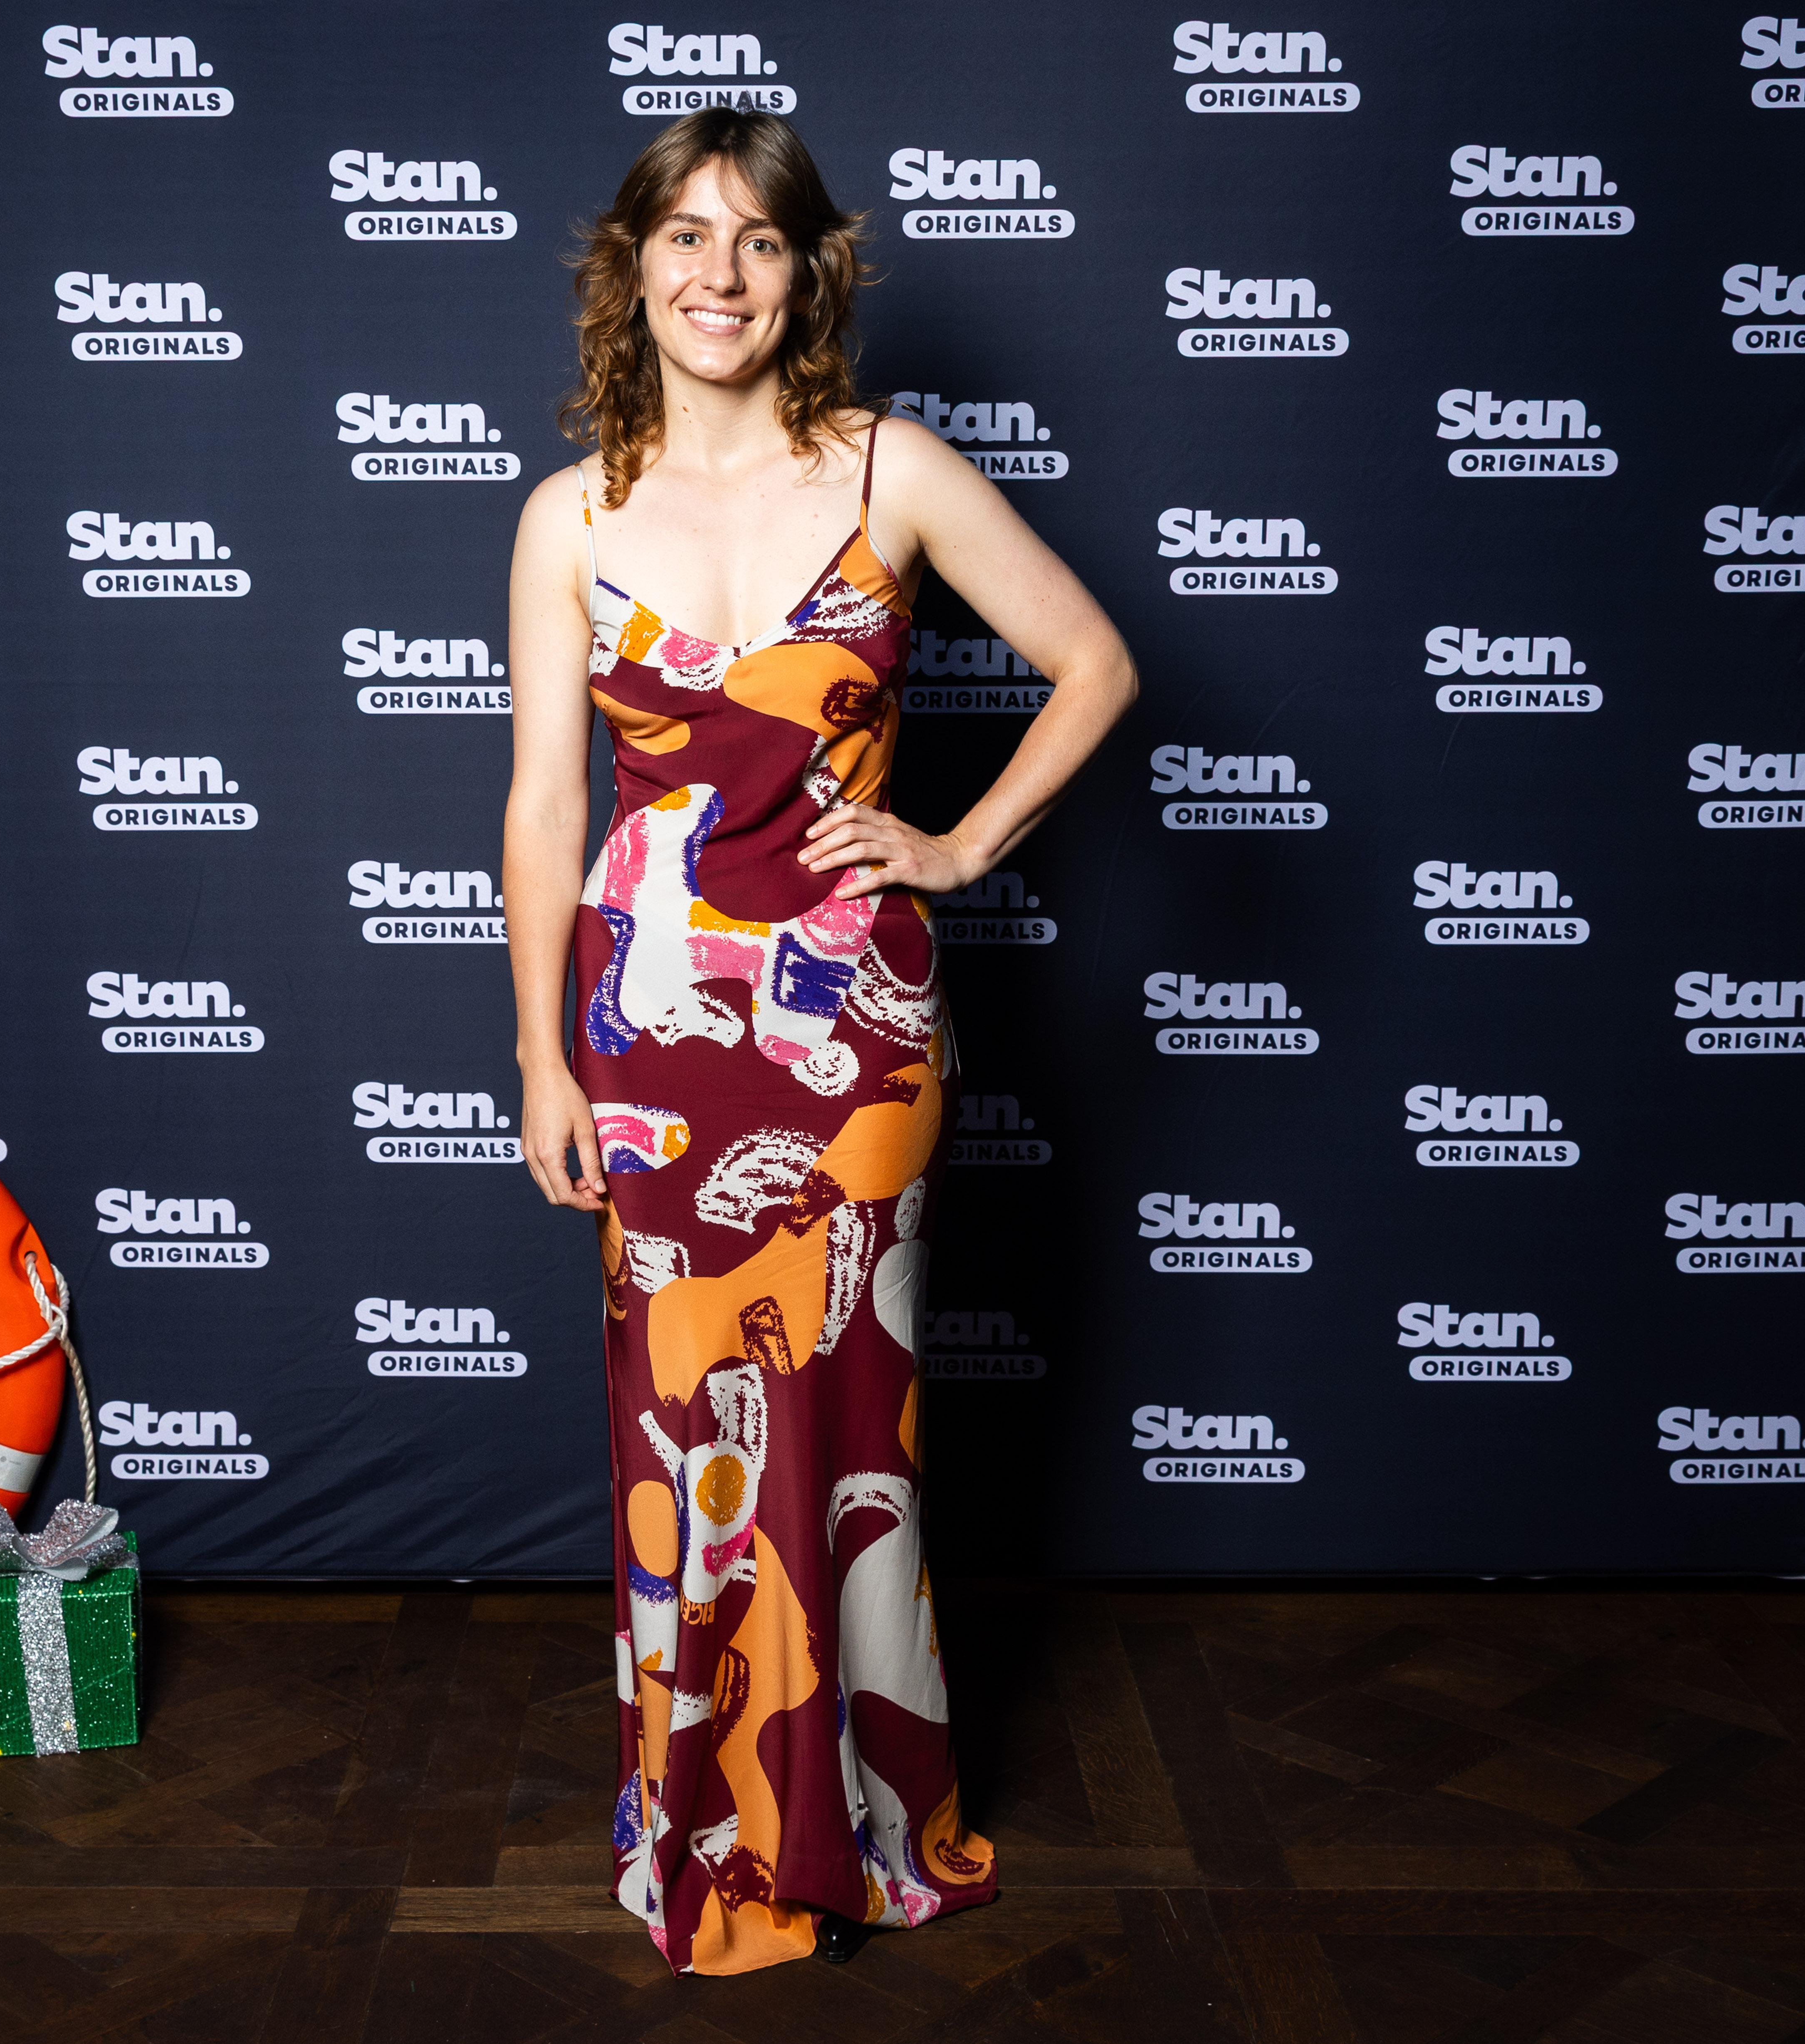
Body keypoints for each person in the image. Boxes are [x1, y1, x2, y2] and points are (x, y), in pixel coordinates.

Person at [502, 108, 1136, 1977]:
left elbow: (1095, 663)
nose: (721, 274)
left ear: (808, 274)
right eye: (686, 238)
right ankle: (702, 1824)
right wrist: (541, 1058)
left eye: (760, 242)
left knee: (850, 1424)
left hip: (856, 1043)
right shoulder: (568, 514)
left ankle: (856, 1823)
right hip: (651, 1045)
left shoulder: (893, 469)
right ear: (632, 270)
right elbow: (546, 806)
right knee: (678, 1435)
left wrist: (957, 845)